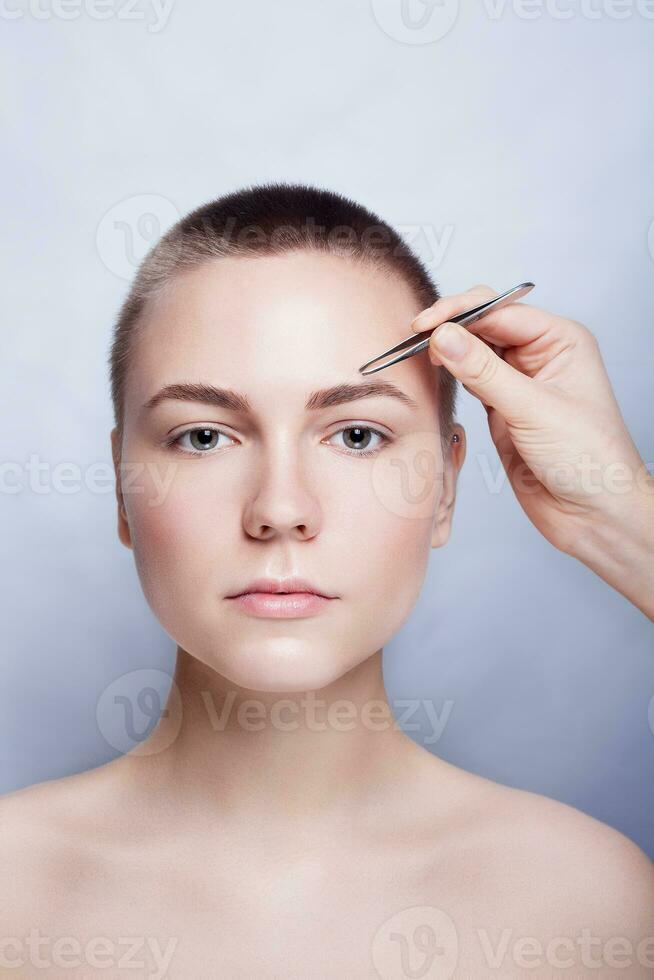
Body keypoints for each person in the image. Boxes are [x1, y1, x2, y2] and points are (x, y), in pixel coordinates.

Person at [1, 182, 653, 979]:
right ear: (121, 487)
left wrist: (626, 520)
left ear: (444, 487)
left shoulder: (592, 907)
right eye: (204, 436)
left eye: (355, 433)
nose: (281, 509)